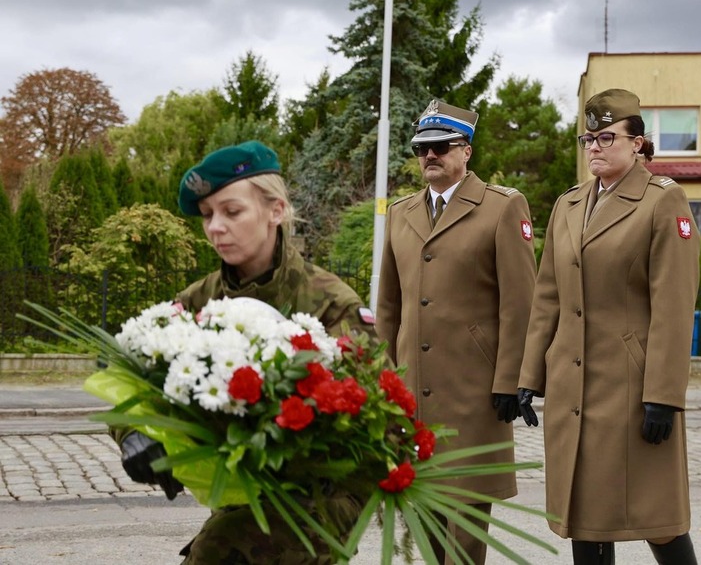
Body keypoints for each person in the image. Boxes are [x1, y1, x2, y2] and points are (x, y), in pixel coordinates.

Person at [118, 140, 376, 564]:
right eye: (207, 215)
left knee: (215, 553)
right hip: (242, 491)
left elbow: (372, 416)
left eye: (232, 211)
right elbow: (135, 375)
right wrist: (134, 433)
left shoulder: (332, 303)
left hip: (325, 492)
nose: (215, 228)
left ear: (276, 210)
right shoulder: (199, 299)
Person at [517, 88, 701, 565]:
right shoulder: (569, 204)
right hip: (573, 385)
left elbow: (674, 305)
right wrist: (529, 376)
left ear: (637, 143)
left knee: (657, 517)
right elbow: (548, 296)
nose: (594, 147)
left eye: (605, 138)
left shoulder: (662, 200)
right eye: (588, 139)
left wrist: (663, 394)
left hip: (630, 387)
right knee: (585, 515)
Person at [376, 99, 537, 564]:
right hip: (412, 394)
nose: (430, 155)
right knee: (422, 522)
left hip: (474, 393)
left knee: (464, 529)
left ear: (466, 151)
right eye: (421, 148)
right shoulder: (401, 213)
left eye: (442, 146)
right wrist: (383, 380)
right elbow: (388, 308)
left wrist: (510, 379)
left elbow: (520, 304)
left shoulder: (502, 207)